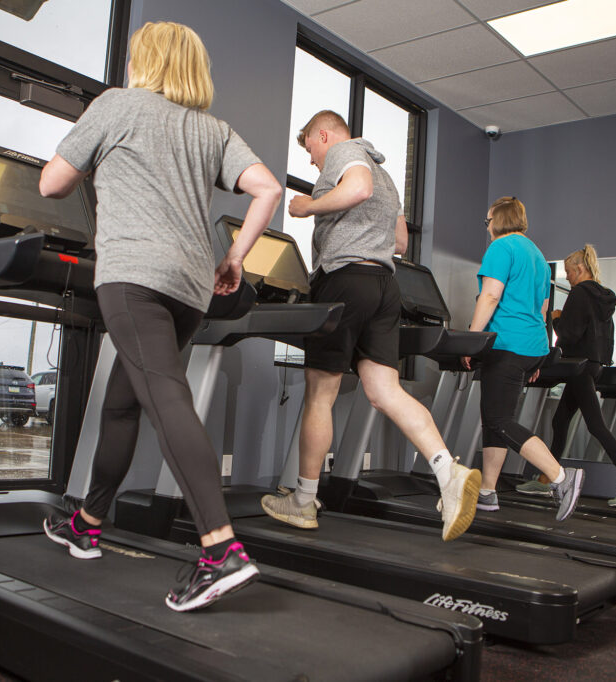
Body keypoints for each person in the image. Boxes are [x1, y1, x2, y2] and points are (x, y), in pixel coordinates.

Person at [37, 21, 283, 612]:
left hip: (133, 277)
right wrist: (234, 257)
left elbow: (50, 183)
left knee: (164, 396)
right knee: (125, 400)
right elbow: (269, 189)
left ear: (143, 61)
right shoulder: (212, 129)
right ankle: (87, 523)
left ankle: (220, 549)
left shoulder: (117, 105)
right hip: (190, 288)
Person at [260, 110, 480, 542]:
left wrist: (309, 207)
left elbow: (356, 189)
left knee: (320, 393)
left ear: (324, 135)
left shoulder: (346, 152)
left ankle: (304, 501)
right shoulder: (386, 175)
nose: (311, 161)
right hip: (384, 284)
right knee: (384, 390)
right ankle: (447, 472)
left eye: (309, 148)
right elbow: (399, 242)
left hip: (344, 281)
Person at [462, 197, 584, 521]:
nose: (487, 227)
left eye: (488, 221)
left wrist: (472, 339)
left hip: (507, 344)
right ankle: (488, 491)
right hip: (532, 347)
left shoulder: (501, 248)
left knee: (499, 421)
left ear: (498, 220)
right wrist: (538, 358)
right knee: (496, 418)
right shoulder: (539, 258)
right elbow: (543, 310)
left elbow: (490, 295)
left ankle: (560, 477)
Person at [516, 245, 616, 506]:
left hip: (578, 365)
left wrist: (556, 319)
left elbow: (569, 334)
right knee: (560, 421)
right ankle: (546, 479)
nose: (567, 277)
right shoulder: (603, 297)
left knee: (596, 426)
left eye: (568, 271)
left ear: (580, 268)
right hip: (593, 364)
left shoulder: (579, 293)